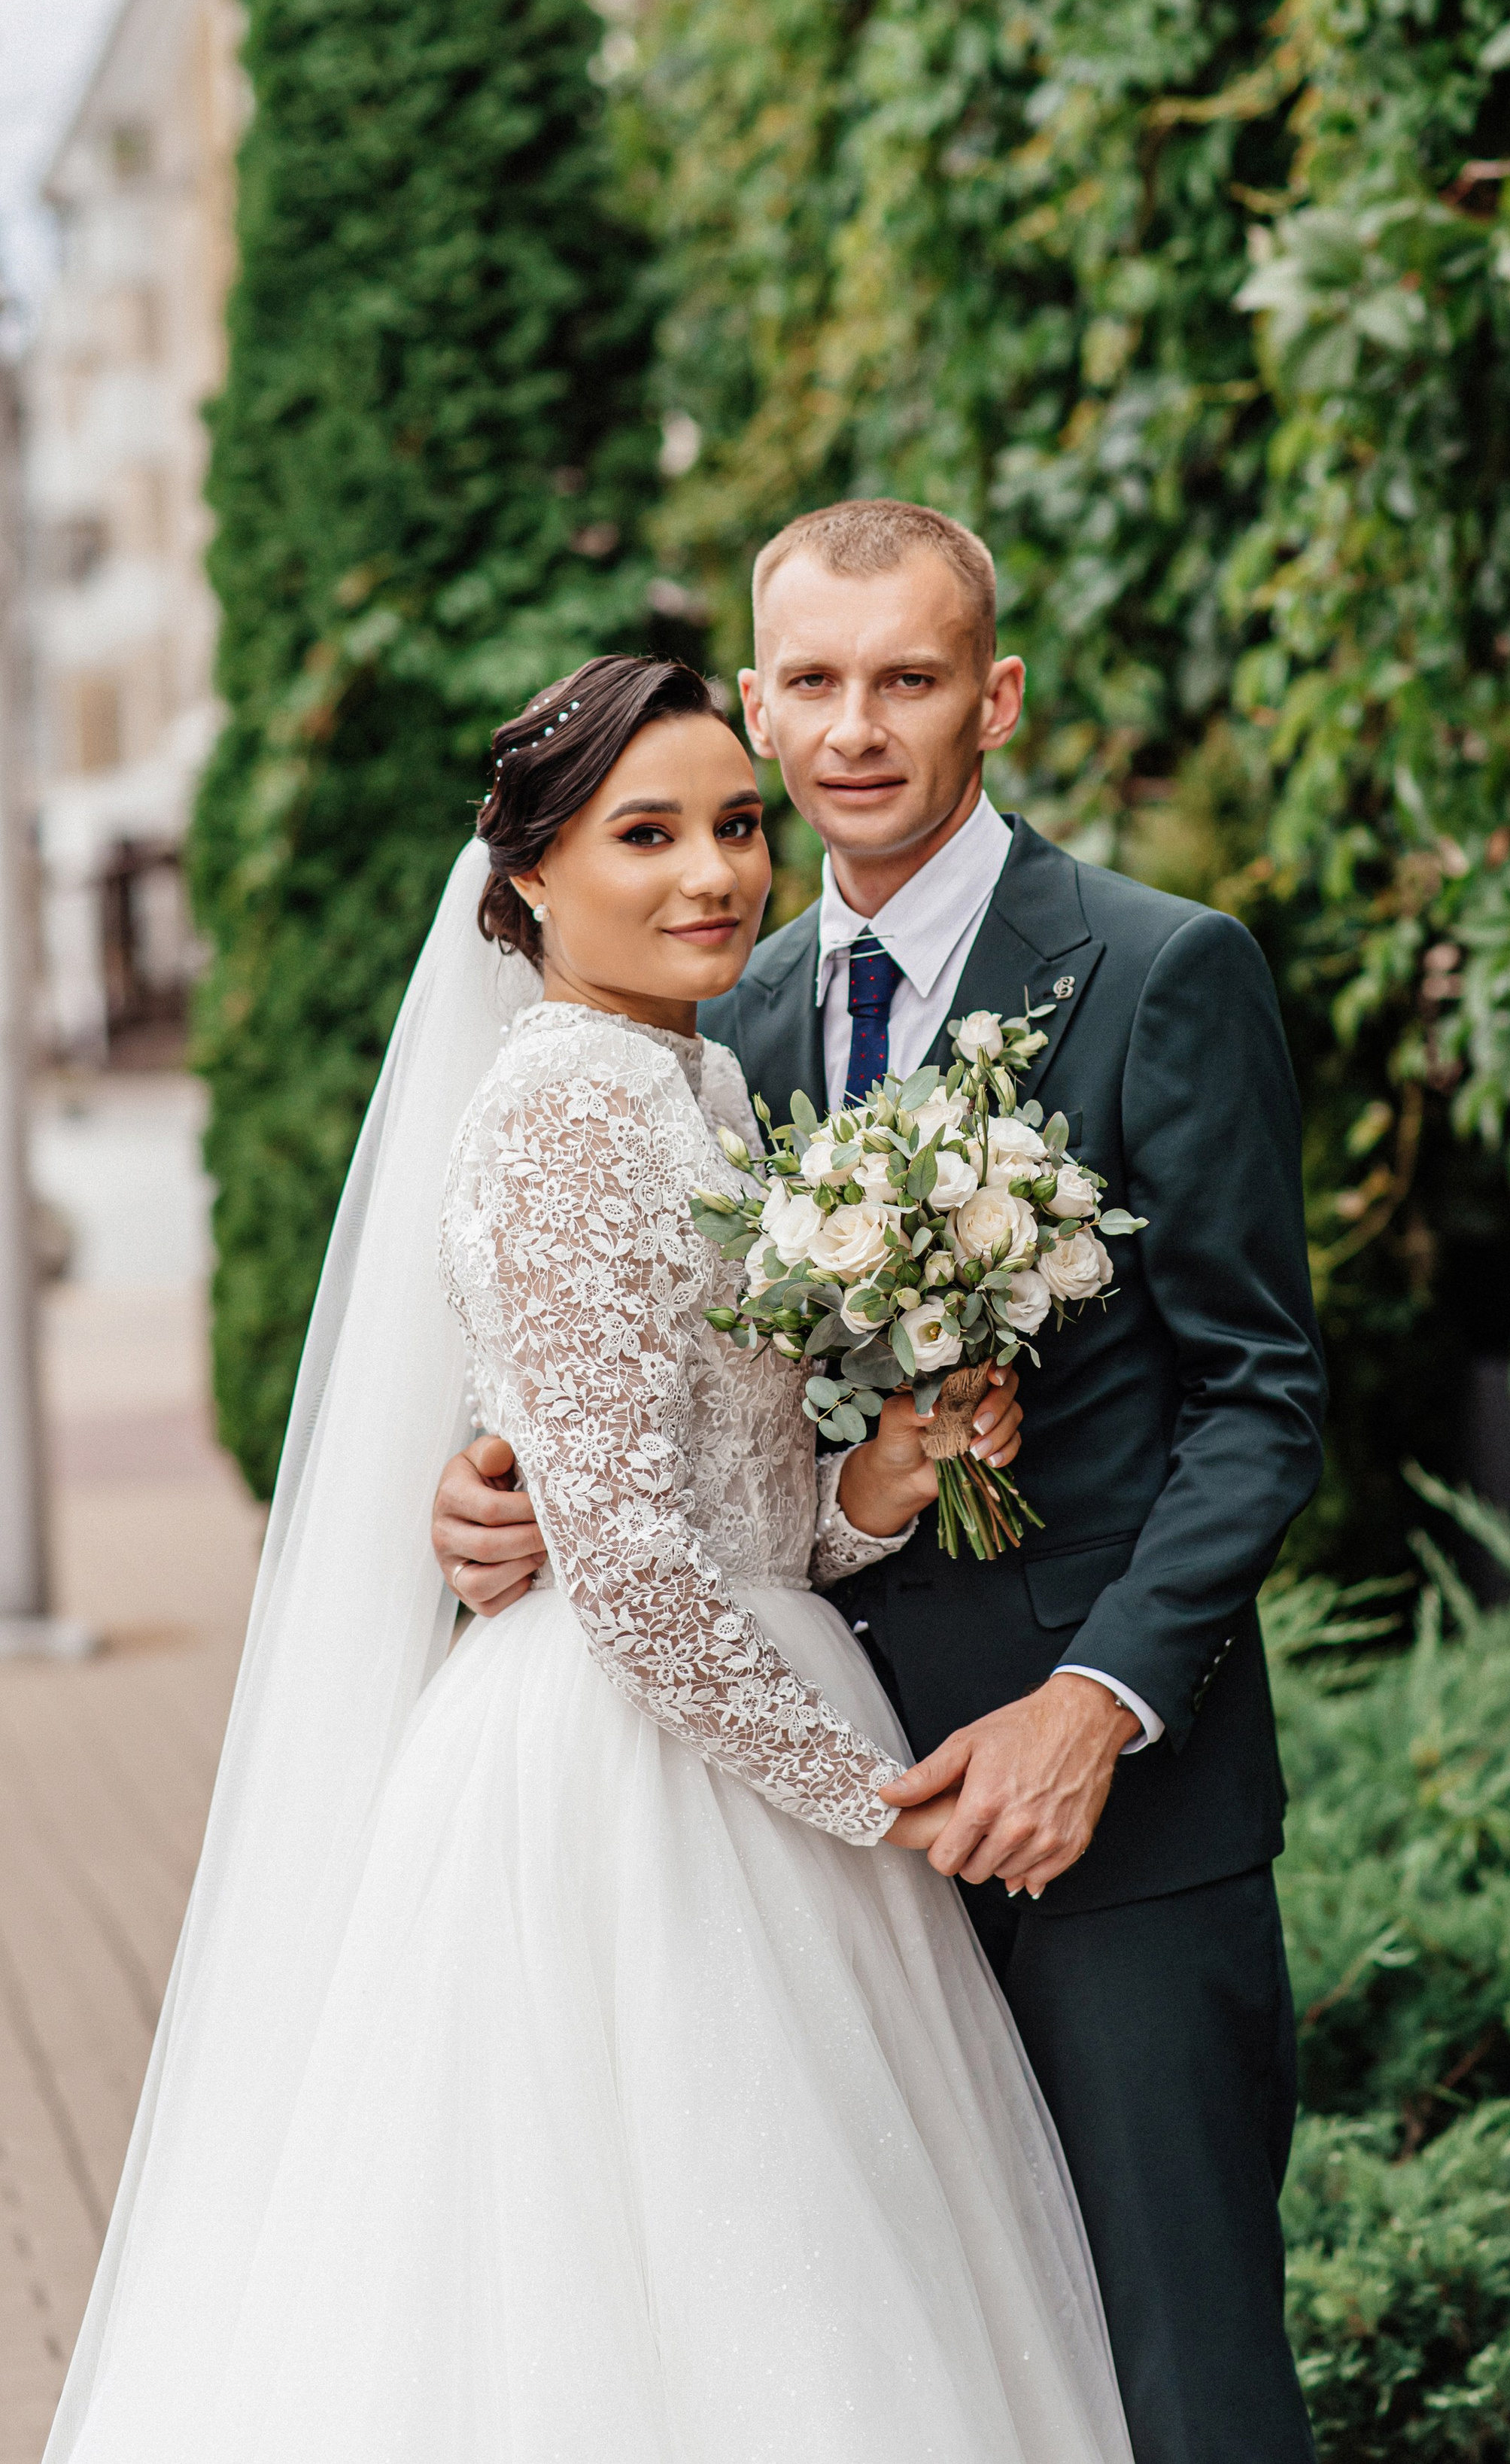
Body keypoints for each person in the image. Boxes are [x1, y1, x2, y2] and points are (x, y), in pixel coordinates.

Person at [46, 655, 1132, 2464]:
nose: (713, 871)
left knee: (794, 2274)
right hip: (629, 1777)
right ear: (530, 878)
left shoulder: (695, 1087)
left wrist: (885, 1474)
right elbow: (626, 1570)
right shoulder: (567, 1108)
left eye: (733, 824)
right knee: (682, 2283)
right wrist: (874, 1801)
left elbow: (745, 1519)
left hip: (744, 1705)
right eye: (647, 833)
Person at [438, 503, 1328, 2464]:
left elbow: (1265, 1399)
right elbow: (644, 1387)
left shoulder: (1160, 972)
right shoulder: (709, 1020)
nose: (856, 727)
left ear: (990, 695)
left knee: (1177, 2380)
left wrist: (1095, 1705)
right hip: (795, 1851)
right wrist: (500, 1490)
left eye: (908, 678)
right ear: (760, 705)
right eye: (816, 685)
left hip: (1111, 1826)